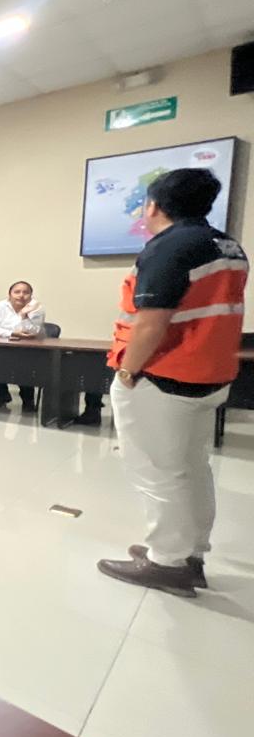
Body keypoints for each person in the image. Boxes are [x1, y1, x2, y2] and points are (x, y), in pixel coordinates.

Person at [97, 168, 248, 597]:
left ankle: (167, 562)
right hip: (209, 373)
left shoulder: (169, 246)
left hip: (163, 375)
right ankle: (190, 553)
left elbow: (151, 322)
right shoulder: (227, 246)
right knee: (192, 466)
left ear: (153, 206)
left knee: (157, 471)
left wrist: (128, 372)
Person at [0, 280, 46, 412]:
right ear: (10, 294)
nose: (21, 295)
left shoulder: (36, 308)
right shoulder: (1, 306)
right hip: (4, 346)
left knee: (24, 368)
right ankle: (2, 395)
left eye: (26, 292)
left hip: (29, 349)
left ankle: (27, 400)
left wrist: (24, 316)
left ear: (31, 295)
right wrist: (12, 333)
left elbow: (33, 332)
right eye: (17, 292)